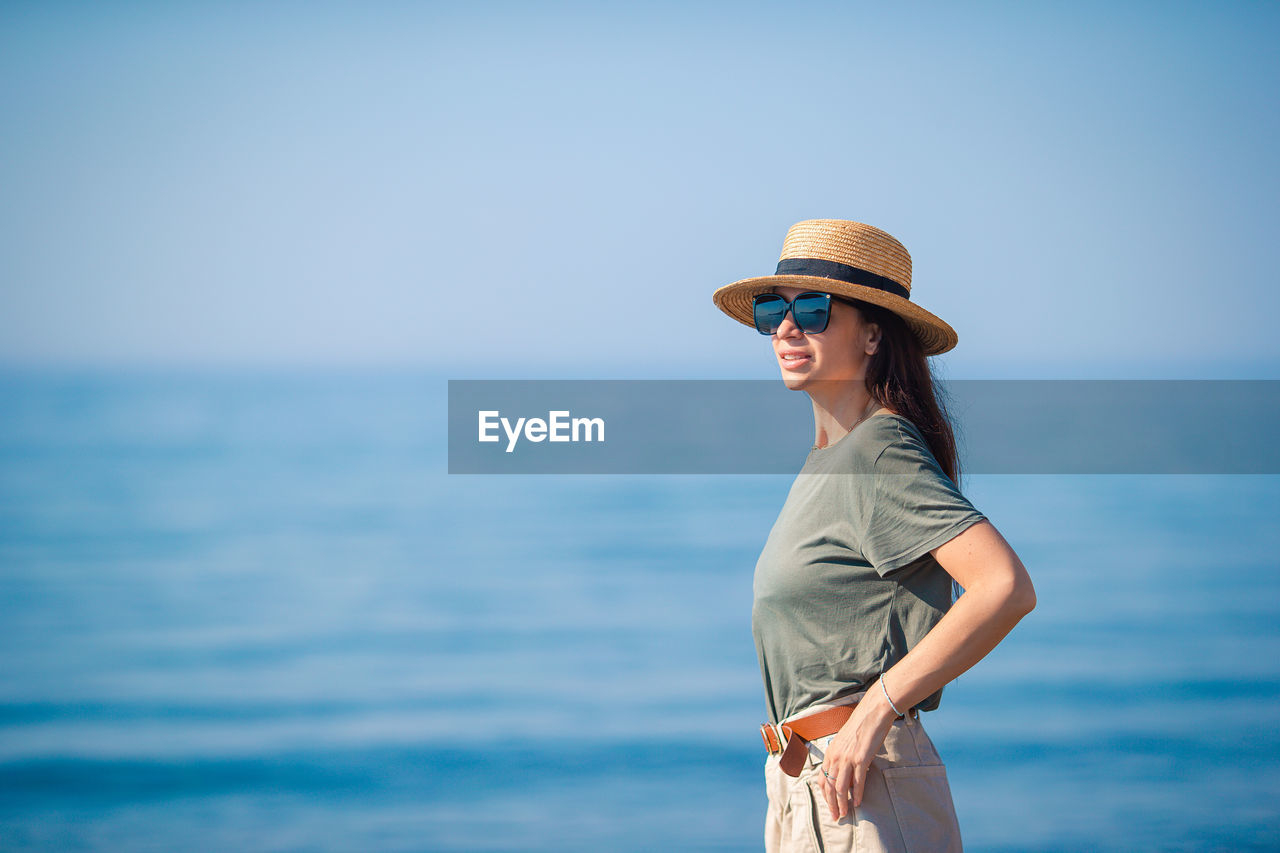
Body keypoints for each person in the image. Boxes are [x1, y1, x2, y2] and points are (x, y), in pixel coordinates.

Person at [712, 219, 1036, 852]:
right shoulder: (831, 460)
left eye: (812, 308)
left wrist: (875, 710)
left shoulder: (878, 451)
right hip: (810, 783)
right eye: (773, 310)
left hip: (861, 784)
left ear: (872, 334)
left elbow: (1005, 587)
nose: (786, 327)